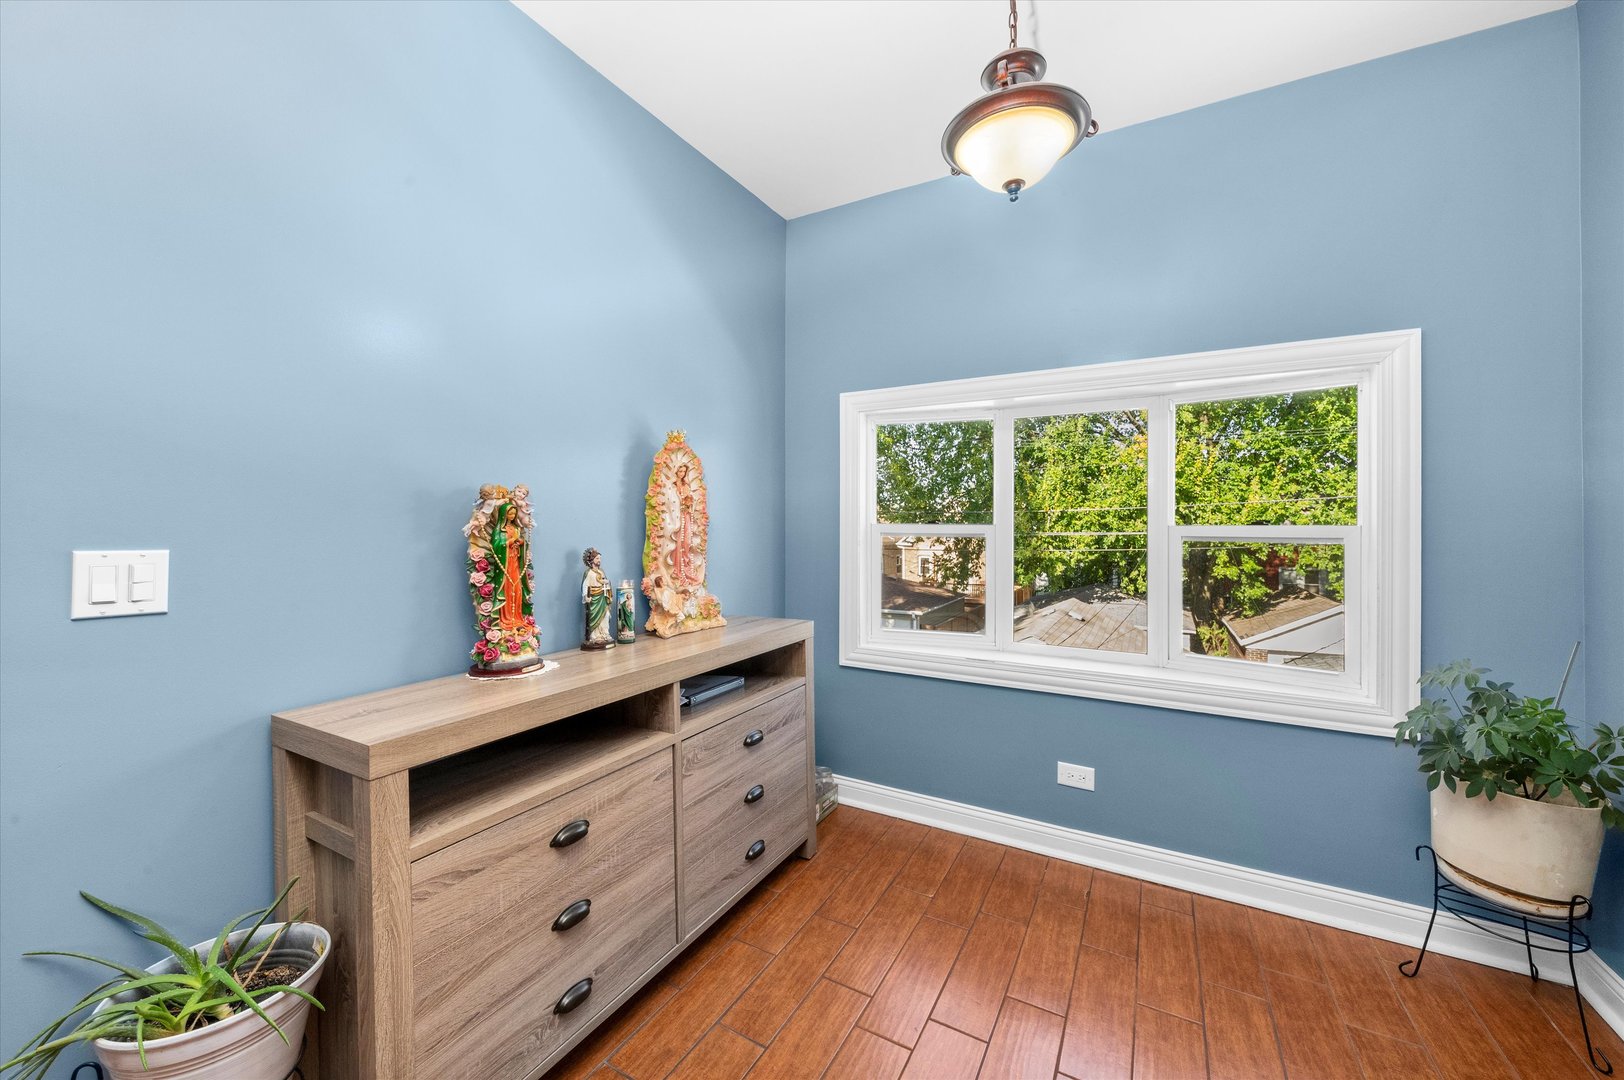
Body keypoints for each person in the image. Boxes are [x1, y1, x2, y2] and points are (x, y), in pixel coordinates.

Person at [581, 548, 615, 649]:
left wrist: (607, 583)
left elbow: (605, 581)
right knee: (593, 617)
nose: (599, 560)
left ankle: (605, 634)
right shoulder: (589, 573)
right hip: (594, 598)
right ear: (592, 561)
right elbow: (585, 585)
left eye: (600, 558)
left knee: (606, 615)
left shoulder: (601, 572)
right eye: (597, 558)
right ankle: (594, 636)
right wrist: (586, 596)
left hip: (602, 597)